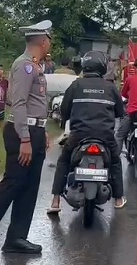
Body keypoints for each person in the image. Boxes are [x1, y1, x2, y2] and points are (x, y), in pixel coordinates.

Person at [0, 20, 53, 262]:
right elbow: (19, 103)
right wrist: (25, 138)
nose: (50, 44)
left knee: (29, 187)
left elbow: (35, 105)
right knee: (12, 185)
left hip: (34, 131)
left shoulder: (35, 66)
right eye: (49, 40)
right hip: (21, 132)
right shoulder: (24, 66)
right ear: (43, 41)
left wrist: (42, 130)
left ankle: (16, 237)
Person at [48, 50, 127, 214]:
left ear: (85, 66)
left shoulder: (76, 85)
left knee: (64, 160)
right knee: (115, 161)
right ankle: (118, 198)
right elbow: (120, 112)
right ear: (103, 67)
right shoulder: (111, 87)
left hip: (78, 136)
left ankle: (56, 200)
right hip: (105, 136)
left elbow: (64, 111)